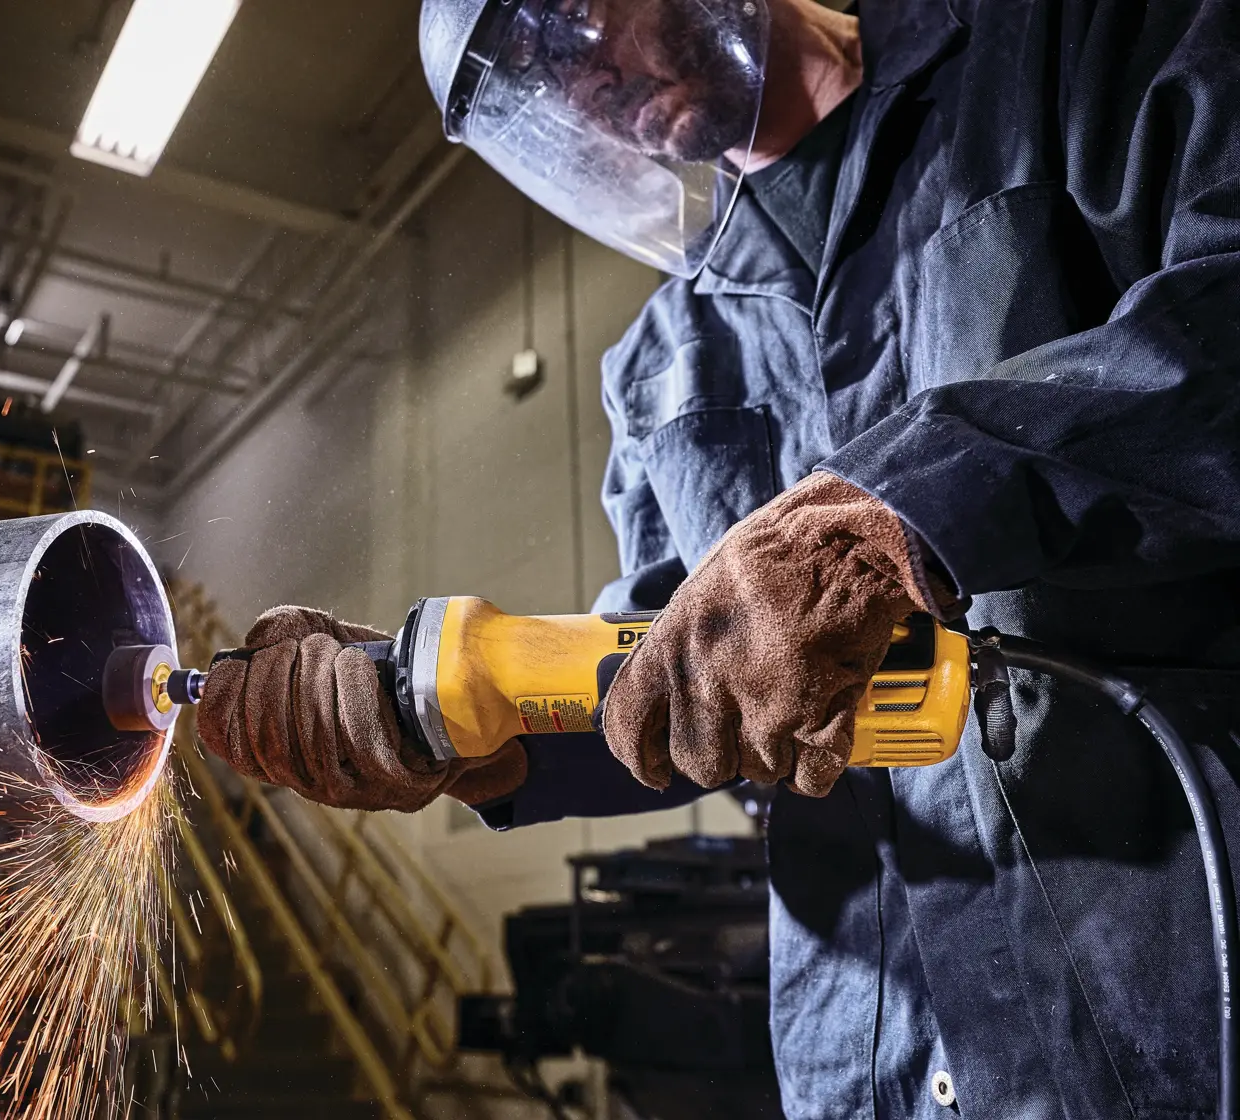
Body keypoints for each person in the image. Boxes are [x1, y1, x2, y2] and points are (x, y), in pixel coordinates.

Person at [199, 0, 1240, 1115]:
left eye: (566, 22)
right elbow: (664, 683)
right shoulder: (665, 357)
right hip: (868, 1061)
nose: (578, 83)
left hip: (1165, 991)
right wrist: (454, 722)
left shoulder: (1078, 49)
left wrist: (908, 505)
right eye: (536, 78)